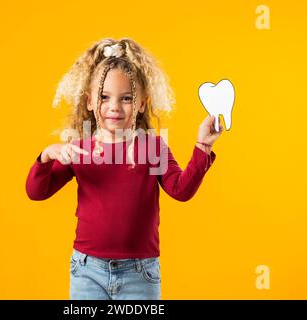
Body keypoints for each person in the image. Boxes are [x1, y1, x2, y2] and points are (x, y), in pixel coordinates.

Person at [25, 38, 223, 300]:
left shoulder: (153, 147)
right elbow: (36, 192)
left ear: (142, 103)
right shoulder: (80, 148)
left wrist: (202, 147)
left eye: (126, 98)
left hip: (140, 273)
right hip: (87, 271)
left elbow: (180, 190)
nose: (115, 106)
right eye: (104, 97)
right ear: (89, 102)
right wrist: (47, 156)